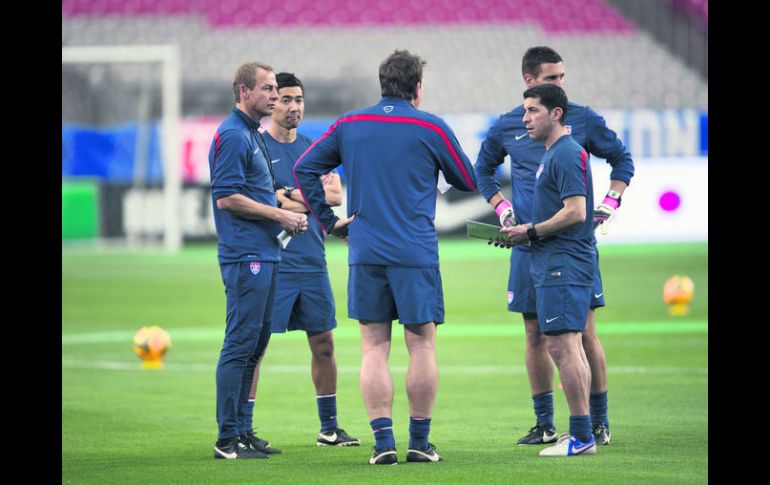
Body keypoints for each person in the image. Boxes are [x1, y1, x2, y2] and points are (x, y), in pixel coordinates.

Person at [293, 50, 477, 465]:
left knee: (373, 347)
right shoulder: (430, 126)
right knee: (422, 344)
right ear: (417, 87)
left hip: (366, 248)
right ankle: (420, 441)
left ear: (382, 84)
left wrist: (329, 221)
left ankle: (383, 444)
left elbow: (305, 167)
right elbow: (466, 179)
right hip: (414, 250)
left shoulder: (350, 124)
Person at [474, 46, 634, 447]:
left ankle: (595, 423)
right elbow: (483, 170)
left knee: (582, 332)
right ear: (529, 81)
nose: (560, 85)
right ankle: (545, 422)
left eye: (562, 77)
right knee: (534, 333)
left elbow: (622, 160)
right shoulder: (512, 125)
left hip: (564, 244)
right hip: (528, 244)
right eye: (551, 79)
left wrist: (610, 202)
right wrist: (504, 207)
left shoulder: (576, 123)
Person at [241, 72, 360, 448]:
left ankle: (329, 428)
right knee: (256, 346)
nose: (293, 107)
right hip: (274, 260)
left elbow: (335, 198)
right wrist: (304, 195)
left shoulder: (315, 149)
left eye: (299, 100)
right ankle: (243, 428)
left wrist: (286, 193)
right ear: (273, 103)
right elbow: (265, 198)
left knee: (324, 342)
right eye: (286, 99)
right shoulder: (256, 146)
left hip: (311, 260)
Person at [208, 61, 308, 460]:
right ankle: (226, 439)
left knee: (256, 343)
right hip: (245, 253)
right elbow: (227, 196)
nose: (274, 94)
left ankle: (244, 431)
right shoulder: (233, 135)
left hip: (266, 252)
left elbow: (253, 189)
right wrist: (280, 214)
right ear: (243, 91)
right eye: (267, 88)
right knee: (239, 343)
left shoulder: (251, 135)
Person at [501, 83, 597, 456]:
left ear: (556, 113)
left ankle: (581, 436)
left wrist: (531, 230)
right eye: (524, 111)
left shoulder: (565, 154)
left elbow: (576, 211)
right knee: (568, 345)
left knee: (562, 345)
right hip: (555, 261)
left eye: (533, 110)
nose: (525, 118)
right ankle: (582, 433)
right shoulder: (554, 153)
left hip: (563, 262)